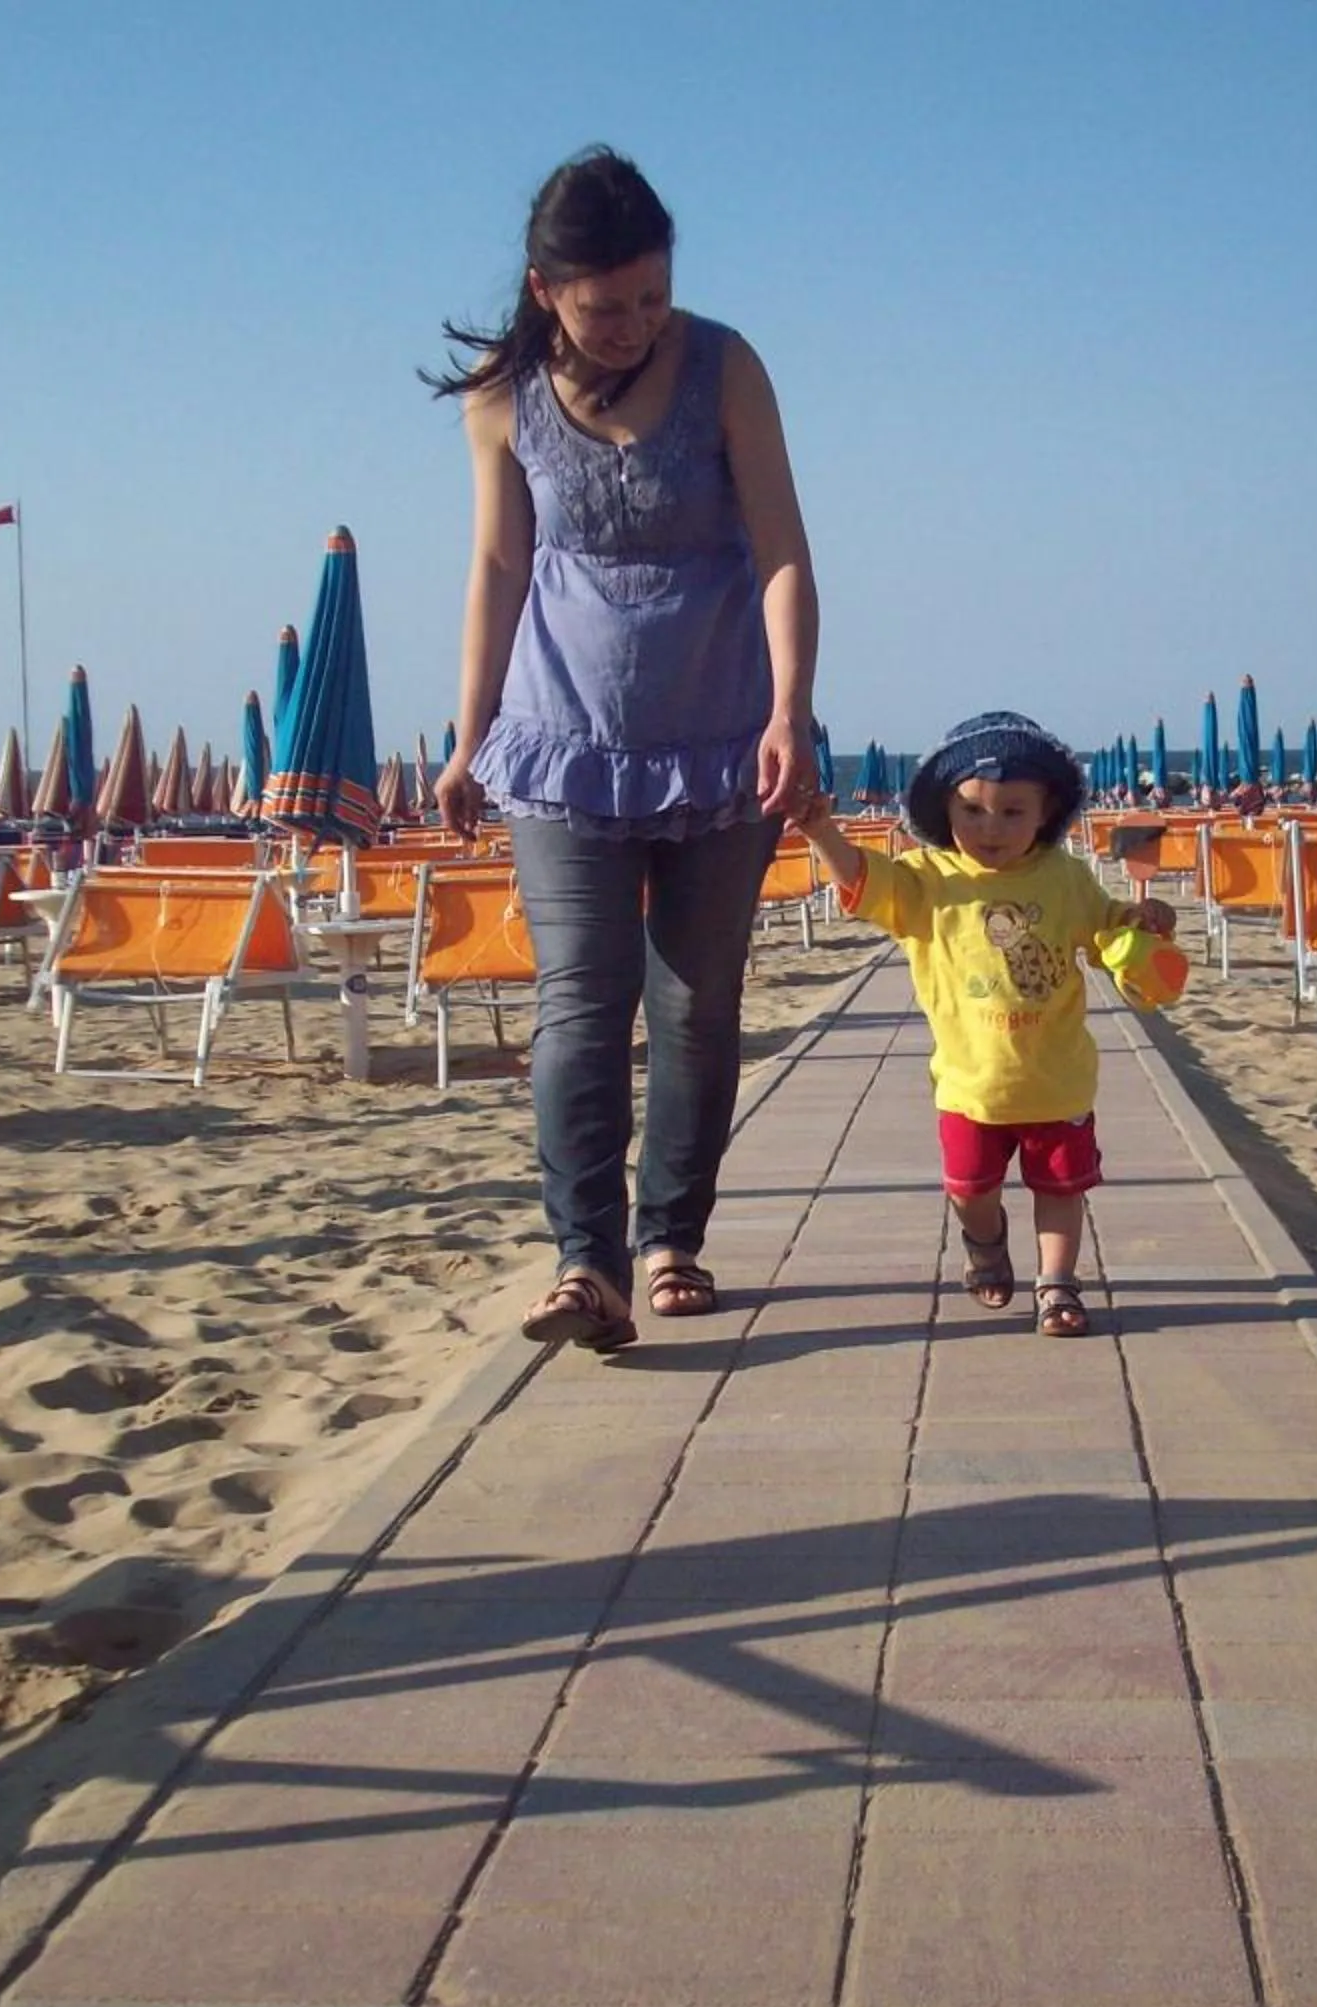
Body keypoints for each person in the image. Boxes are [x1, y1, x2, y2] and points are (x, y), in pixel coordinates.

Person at [428, 147, 817, 1352]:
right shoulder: (504, 399)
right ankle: (584, 1260)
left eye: (652, 297)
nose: (635, 326)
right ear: (548, 289)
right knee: (580, 1003)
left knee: (697, 1006)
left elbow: (785, 547)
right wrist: (466, 737)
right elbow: (498, 566)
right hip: (561, 741)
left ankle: (671, 1239)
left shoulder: (724, 364)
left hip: (722, 738)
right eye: (607, 307)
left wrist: (790, 715)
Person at [787, 713, 1179, 1339]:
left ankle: (1057, 1285)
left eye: (1012, 812)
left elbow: (1108, 931)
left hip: (1056, 1079)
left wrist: (1142, 923)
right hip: (970, 1083)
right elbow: (862, 878)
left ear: (1045, 813)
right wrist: (819, 829)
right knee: (971, 1189)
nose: (989, 827)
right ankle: (986, 1240)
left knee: (1060, 1189)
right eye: (971, 810)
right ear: (945, 810)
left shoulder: (1064, 875)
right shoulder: (929, 881)